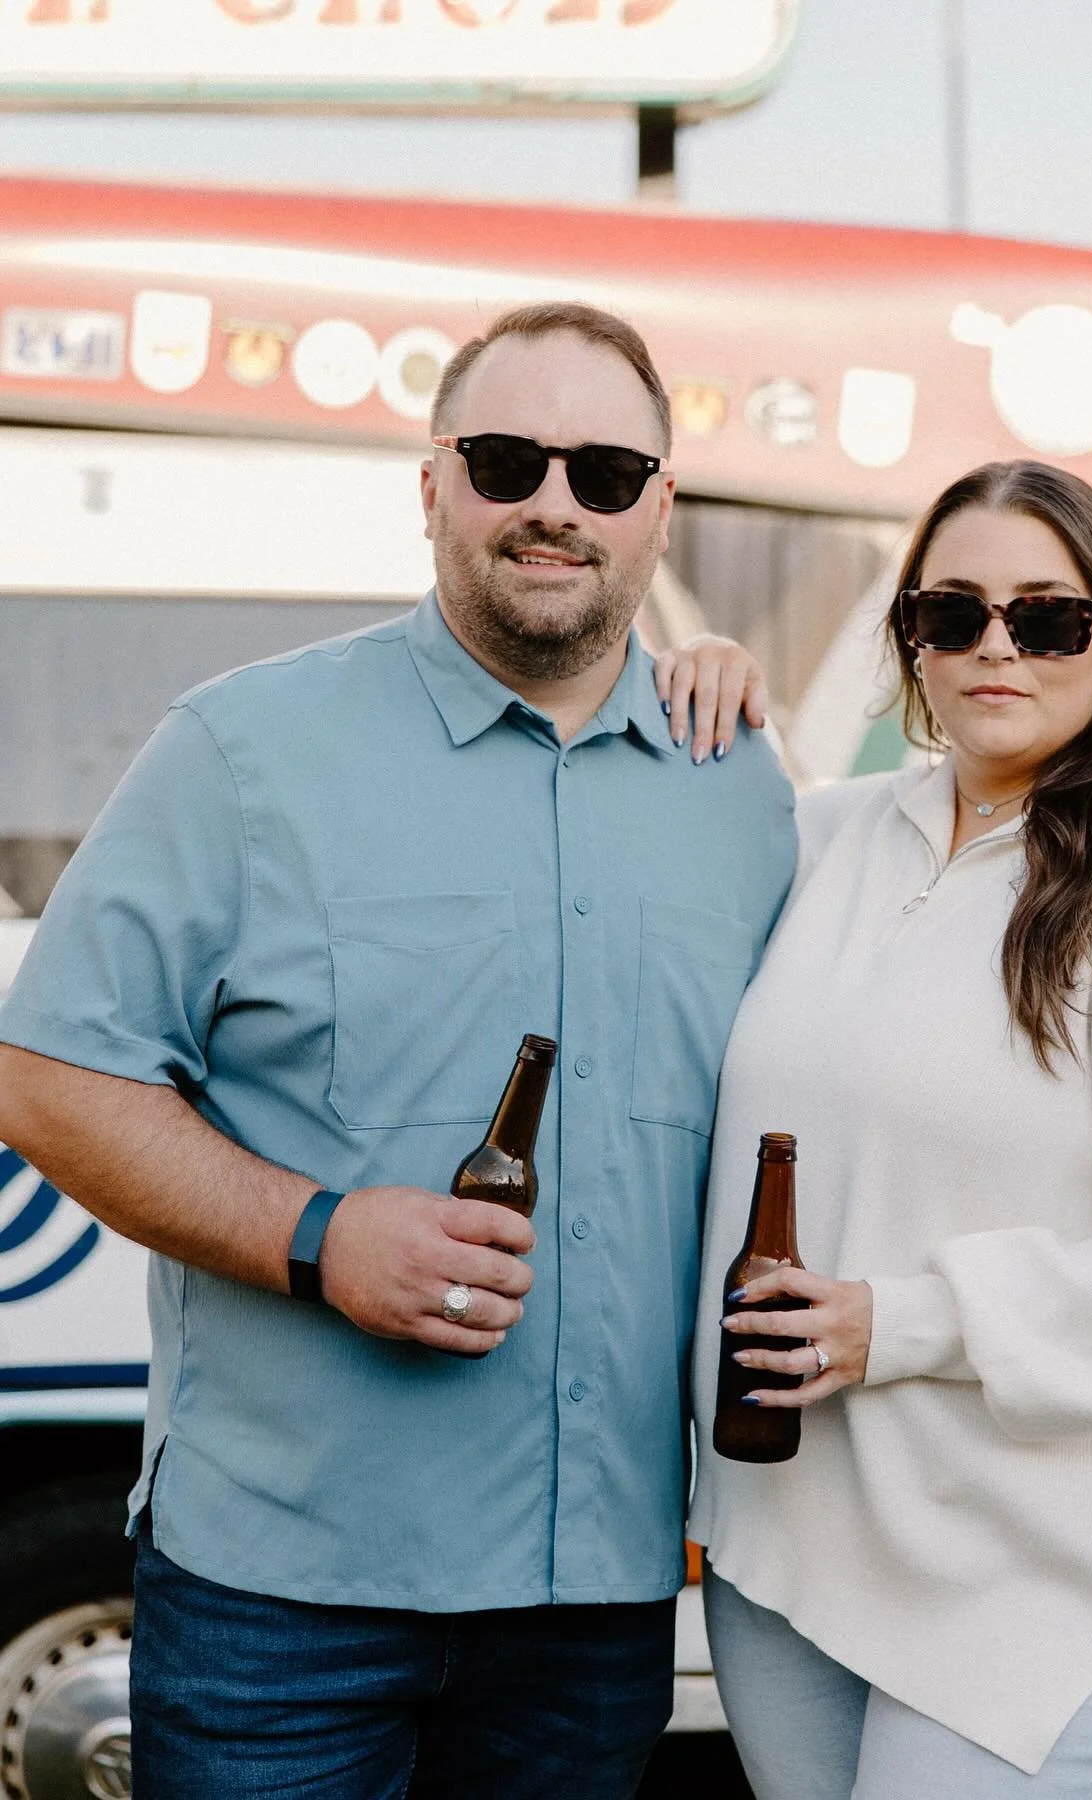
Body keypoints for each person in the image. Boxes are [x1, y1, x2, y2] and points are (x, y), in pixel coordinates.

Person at [0, 302, 795, 1799]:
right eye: (506, 461)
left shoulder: (743, 787)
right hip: (282, 1598)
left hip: (595, 1604)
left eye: (605, 473)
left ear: (659, 508)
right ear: (432, 485)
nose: (554, 503)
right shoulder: (242, 751)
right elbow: (47, 1077)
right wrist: (322, 1238)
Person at [677, 460, 1092, 1800]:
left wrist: (904, 1321)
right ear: (910, 638)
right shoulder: (830, 838)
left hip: (1038, 1601)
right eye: (952, 612)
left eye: (1045, 618)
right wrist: (696, 687)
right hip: (789, 1556)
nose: (995, 646)